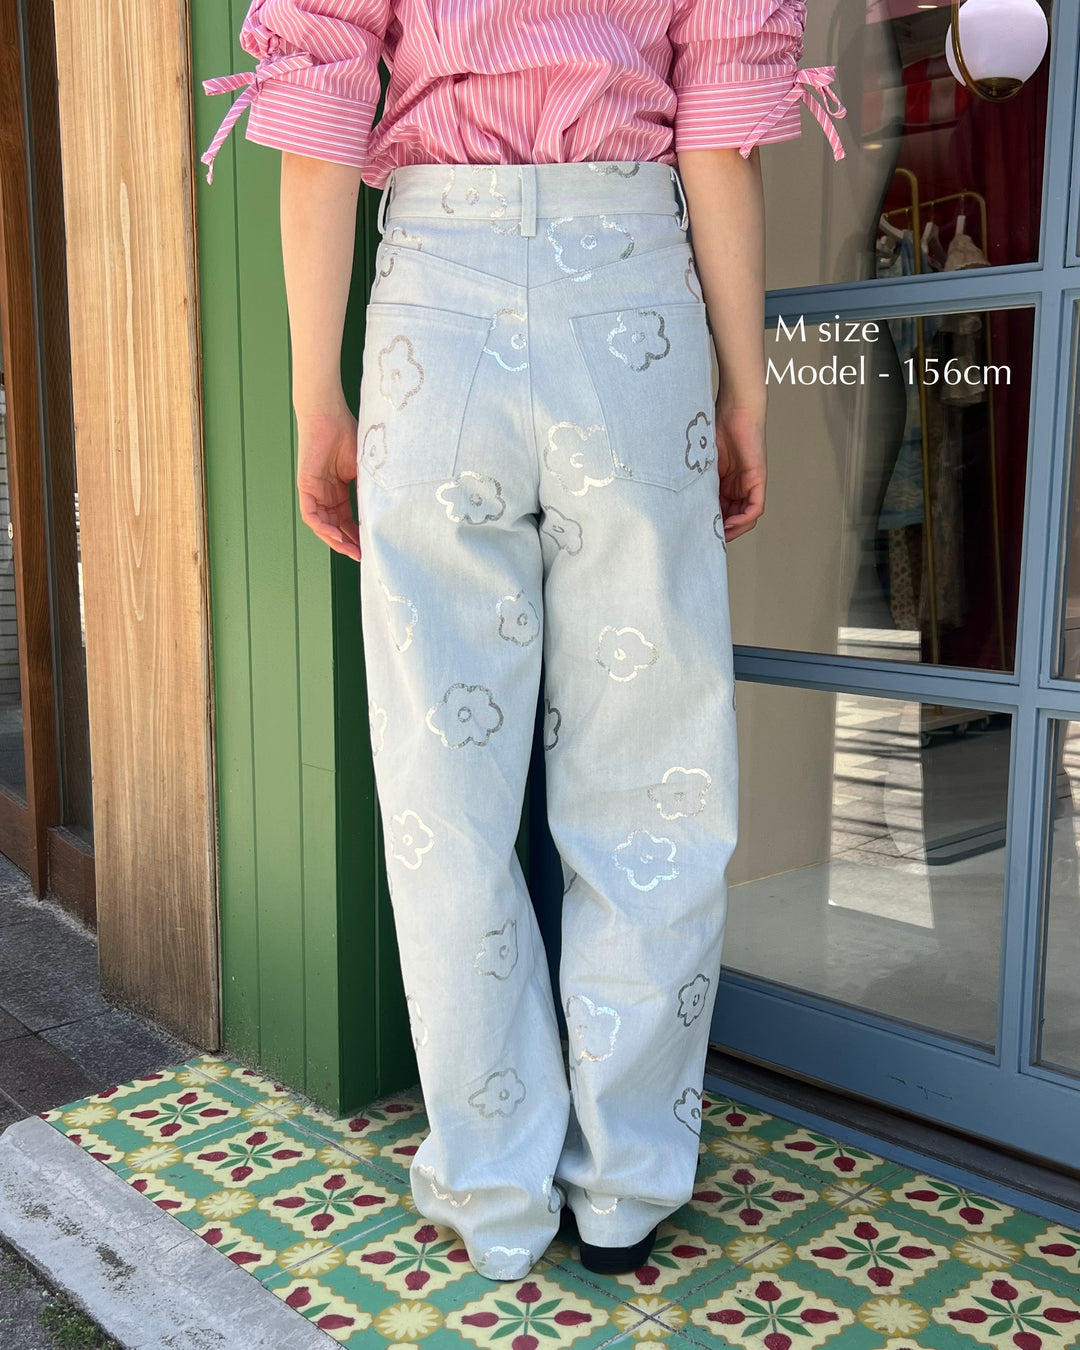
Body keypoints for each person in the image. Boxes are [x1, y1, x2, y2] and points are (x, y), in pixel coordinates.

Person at [202, 0, 846, 1284]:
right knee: (654, 773)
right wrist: (745, 392)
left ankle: (495, 1191)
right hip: (633, 292)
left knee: (442, 788)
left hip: (433, 306)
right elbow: (719, 146)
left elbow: (320, 125)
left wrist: (316, 392)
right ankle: (623, 1187)